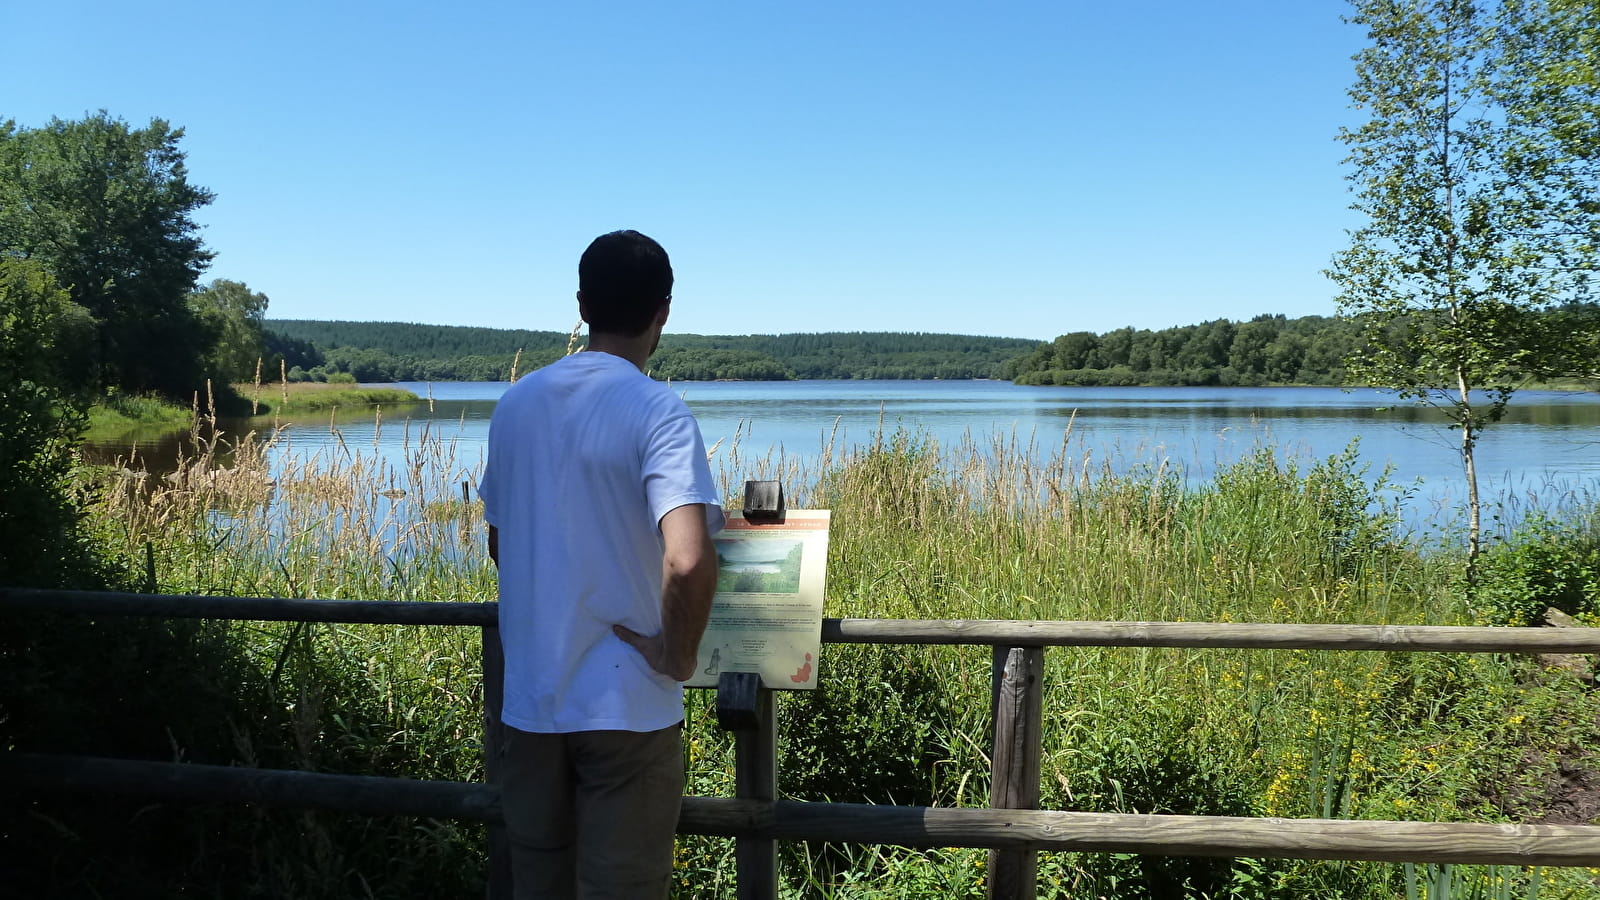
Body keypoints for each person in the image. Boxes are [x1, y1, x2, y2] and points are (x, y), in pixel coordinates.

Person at [479, 230, 724, 899]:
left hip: (531, 703)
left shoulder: (516, 405)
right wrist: (676, 657)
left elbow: (501, 545)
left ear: (582, 304)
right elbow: (690, 558)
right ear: (664, 311)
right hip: (629, 707)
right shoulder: (657, 410)